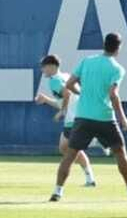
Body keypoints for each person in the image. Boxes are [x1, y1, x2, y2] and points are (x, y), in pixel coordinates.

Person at [50, 32, 127, 202]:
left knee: (69, 155)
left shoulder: (87, 61)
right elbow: (113, 95)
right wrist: (123, 118)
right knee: (120, 153)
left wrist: (83, 93)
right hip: (105, 117)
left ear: (104, 44)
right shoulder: (117, 69)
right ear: (118, 48)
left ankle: (57, 192)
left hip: (83, 116)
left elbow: (69, 84)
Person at [36, 54, 95, 188]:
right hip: (81, 114)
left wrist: (62, 111)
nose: (42, 70)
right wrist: (46, 100)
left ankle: (97, 141)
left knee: (68, 148)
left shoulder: (54, 81)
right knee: (65, 147)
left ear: (51, 66)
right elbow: (66, 99)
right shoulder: (66, 76)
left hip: (73, 118)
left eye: (44, 67)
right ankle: (90, 179)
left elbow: (67, 95)